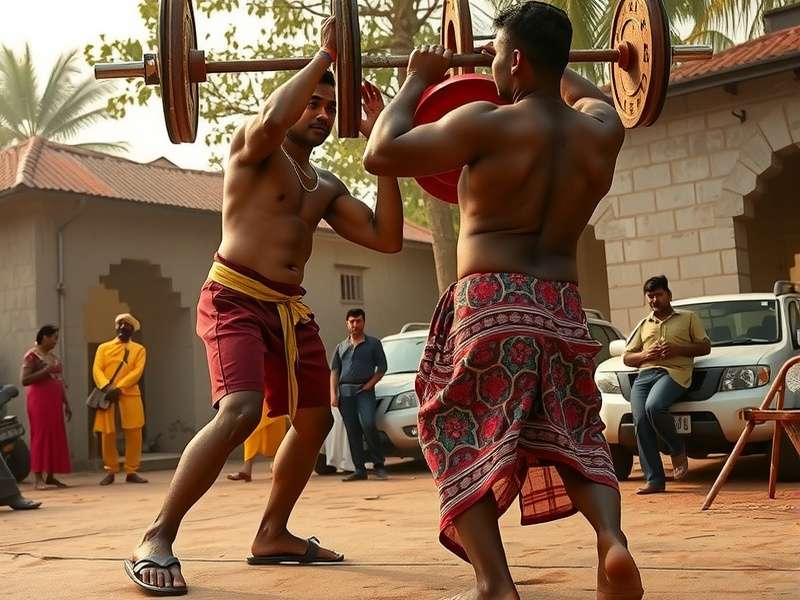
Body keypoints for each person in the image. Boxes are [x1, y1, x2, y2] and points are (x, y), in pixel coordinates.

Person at [364, 3, 643, 599]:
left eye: (493, 54)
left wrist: (419, 74)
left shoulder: (486, 122)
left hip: (491, 300)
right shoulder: (600, 129)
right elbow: (593, 92)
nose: (487, 64)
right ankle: (612, 542)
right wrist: (559, 62)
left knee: (454, 425)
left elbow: (382, 152)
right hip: (563, 306)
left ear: (516, 60)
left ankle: (495, 583)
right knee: (577, 432)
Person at [124, 16, 403, 596]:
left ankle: (272, 533)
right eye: (315, 103)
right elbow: (275, 117)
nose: (323, 115)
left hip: (289, 309)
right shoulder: (252, 148)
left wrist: (383, 144)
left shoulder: (324, 183)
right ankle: (157, 534)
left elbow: (386, 238)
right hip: (233, 296)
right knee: (241, 411)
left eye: (332, 109)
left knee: (315, 420)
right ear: (296, 94)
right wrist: (328, 56)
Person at [623, 275, 710, 495]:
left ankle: (676, 448)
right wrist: (645, 354)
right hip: (644, 376)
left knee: (654, 407)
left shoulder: (688, 318)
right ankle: (655, 480)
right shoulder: (644, 324)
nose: (654, 300)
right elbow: (627, 357)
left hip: (674, 373)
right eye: (650, 297)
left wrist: (677, 349)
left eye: (658, 295)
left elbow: (705, 347)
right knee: (641, 420)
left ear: (668, 295)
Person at [330, 308, 388, 481]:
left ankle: (379, 465)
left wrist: (369, 385)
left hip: (365, 392)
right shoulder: (341, 347)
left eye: (358, 321)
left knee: (368, 424)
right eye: (352, 321)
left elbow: (382, 368)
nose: (355, 324)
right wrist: (333, 394)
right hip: (345, 393)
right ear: (347, 323)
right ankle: (359, 469)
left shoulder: (374, 344)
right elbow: (334, 371)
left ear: (364, 322)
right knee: (352, 431)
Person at [93, 313, 148, 486]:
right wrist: (105, 386)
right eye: (121, 324)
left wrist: (119, 387)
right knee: (107, 433)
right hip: (107, 394)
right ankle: (110, 470)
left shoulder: (139, 349)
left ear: (132, 330)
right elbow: (97, 369)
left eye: (128, 325)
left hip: (129, 394)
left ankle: (132, 470)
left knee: (134, 432)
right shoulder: (103, 348)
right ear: (116, 327)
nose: (124, 327)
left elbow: (137, 372)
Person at [21, 325, 72, 490]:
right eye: (54, 338)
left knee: (55, 436)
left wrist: (66, 403)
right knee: (41, 436)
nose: (56, 341)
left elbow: (59, 381)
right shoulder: (32, 356)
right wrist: (45, 371)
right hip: (39, 402)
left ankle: (51, 475)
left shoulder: (53, 357)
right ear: (44, 337)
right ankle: (38, 478)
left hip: (54, 402)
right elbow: (24, 380)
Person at [227, 412, 287, 482]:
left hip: (274, 406)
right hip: (259, 406)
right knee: (252, 433)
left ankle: (277, 467)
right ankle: (247, 470)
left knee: (274, 435)